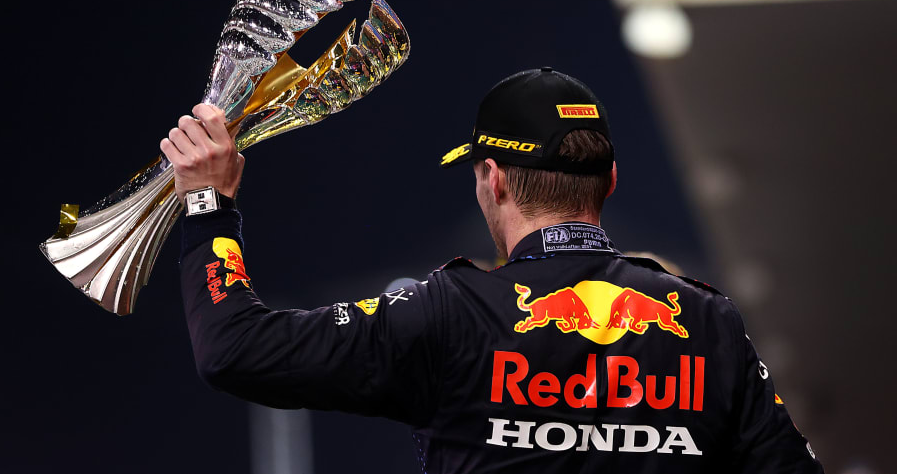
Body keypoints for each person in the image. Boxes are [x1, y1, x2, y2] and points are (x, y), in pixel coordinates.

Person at [160, 67, 823, 473]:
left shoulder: (450, 311)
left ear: (493, 180)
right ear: (611, 180)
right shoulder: (708, 320)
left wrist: (208, 203)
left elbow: (235, 349)